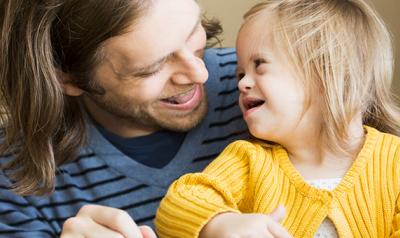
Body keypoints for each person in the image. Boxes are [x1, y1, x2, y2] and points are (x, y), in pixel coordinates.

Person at [0, 0, 248, 237]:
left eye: (193, 32)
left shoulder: (270, 91)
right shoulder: (12, 178)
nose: (199, 73)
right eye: (152, 68)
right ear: (68, 79)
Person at [155, 0, 400, 237]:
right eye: (240, 72)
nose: (242, 83)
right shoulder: (248, 160)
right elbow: (178, 203)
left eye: (259, 64)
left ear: (328, 71)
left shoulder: (394, 161)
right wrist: (219, 224)